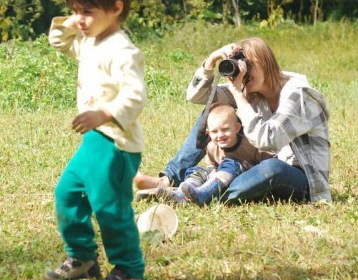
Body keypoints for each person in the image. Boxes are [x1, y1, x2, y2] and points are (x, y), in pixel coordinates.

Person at [44, 0, 147, 280]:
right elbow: (58, 41)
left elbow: (135, 96)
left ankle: (129, 270)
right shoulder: (89, 39)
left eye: (87, 12)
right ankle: (83, 257)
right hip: (93, 141)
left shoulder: (123, 51)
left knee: (110, 207)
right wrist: (73, 19)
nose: (80, 19)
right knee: (68, 193)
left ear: (116, 8)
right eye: (76, 10)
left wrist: (104, 113)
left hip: (115, 143)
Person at [137, 37, 331, 204]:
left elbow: (268, 140)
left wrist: (237, 94)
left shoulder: (299, 96)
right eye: (240, 66)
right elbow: (198, 96)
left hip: (302, 179)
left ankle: (199, 193)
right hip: (258, 165)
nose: (244, 72)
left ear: (266, 62)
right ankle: (169, 180)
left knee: (273, 168)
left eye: (249, 65)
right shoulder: (254, 91)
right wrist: (211, 61)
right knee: (214, 113)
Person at [164, 103, 274, 205]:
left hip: (241, 178)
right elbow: (210, 163)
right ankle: (183, 194)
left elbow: (268, 163)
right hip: (218, 179)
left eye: (225, 129)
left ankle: (202, 194)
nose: (220, 135)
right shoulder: (212, 147)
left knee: (231, 164)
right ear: (208, 133)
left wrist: (252, 168)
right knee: (195, 171)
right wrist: (212, 171)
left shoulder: (249, 145)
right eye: (214, 131)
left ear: (237, 128)